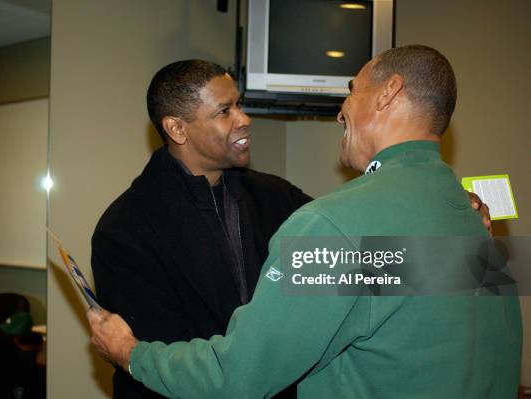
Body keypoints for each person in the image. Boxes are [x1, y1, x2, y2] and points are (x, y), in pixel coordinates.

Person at [88, 45, 521, 398]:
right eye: (226, 110)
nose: (340, 109)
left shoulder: (324, 222)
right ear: (177, 129)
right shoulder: (467, 224)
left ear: (388, 94)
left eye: (352, 90)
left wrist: (130, 354)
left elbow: (240, 374)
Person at [91, 60, 311, 398]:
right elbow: (157, 362)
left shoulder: (277, 196)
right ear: (177, 129)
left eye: (239, 104)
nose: (244, 119)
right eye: (225, 111)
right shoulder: (124, 230)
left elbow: (359, 266)